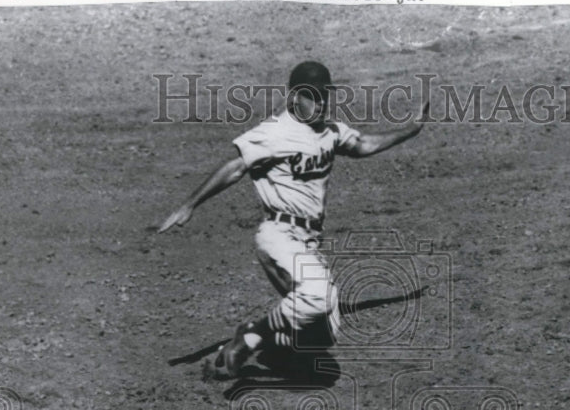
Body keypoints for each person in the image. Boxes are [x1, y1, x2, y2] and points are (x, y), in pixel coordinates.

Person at [158, 60, 428, 379]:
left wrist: (410, 129)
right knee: (317, 296)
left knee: (322, 334)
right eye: (312, 95)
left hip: (307, 245)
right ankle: (249, 337)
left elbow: (364, 144)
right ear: (294, 96)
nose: (321, 102)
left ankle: (252, 355)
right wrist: (190, 203)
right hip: (279, 236)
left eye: (325, 94)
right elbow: (234, 168)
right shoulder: (274, 132)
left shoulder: (330, 132)